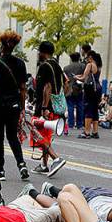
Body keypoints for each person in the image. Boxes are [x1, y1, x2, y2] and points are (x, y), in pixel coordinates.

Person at [0, 31, 29, 181]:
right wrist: (21, 106)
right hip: (14, 105)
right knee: (12, 136)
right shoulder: (20, 63)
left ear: (2, 46)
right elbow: (23, 88)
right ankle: (21, 164)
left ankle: (0, 171)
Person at [31, 41, 67, 176]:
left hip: (44, 107)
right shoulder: (57, 66)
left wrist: (44, 107)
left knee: (37, 134)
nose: (38, 54)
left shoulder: (44, 66)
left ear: (43, 52)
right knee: (46, 136)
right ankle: (44, 165)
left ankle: (56, 159)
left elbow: (47, 87)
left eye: (39, 51)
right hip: (55, 106)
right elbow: (66, 83)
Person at [78, 44, 102, 139]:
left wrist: (76, 77)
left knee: (88, 109)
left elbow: (84, 78)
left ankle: (87, 132)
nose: (86, 59)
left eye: (87, 57)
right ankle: (95, 132)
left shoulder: (90, 64)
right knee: (95, 110)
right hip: (98, 88)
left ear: (90, 57)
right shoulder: (98, 65)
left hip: (90, 89)